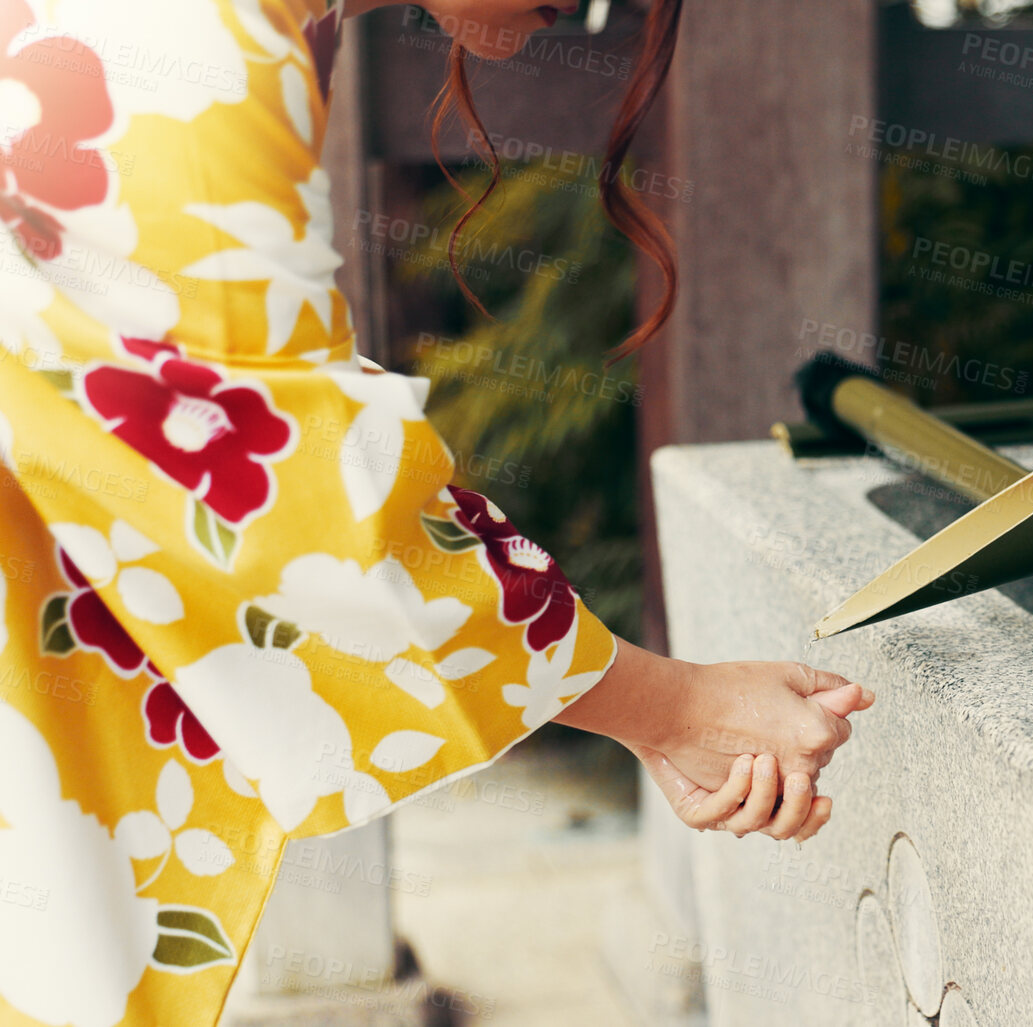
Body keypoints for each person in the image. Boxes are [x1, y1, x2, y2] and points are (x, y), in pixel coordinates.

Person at [0, 0, 868, 1023]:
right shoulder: (188, 44)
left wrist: (649, 709)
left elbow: (260, 423)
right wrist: (667, 705)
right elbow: (288, 492)